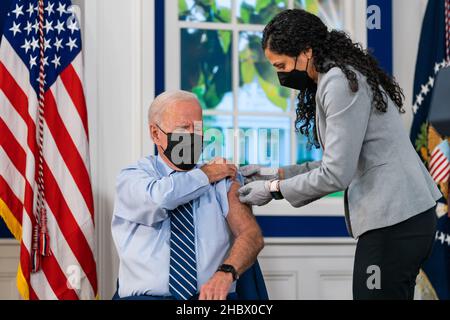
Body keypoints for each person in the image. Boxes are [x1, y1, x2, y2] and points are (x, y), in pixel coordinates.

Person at [238, 9, 442, 300]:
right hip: (401, 219)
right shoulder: (337, 76)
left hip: (396, 222)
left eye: (281, 65)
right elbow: (336, 161)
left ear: (306, 51)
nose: (280, 74)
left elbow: (336, 173)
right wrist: (274, 174)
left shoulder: (338, 82)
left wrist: (273, 190)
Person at [112, 90, 264, 300]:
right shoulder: (132, 178)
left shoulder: (224, 178)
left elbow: (251, 235)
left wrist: (225, 274)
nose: (194, 136)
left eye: (198, 128)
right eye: (184, 128)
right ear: (156, 134)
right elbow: (160, 199)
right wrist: (205, 174)